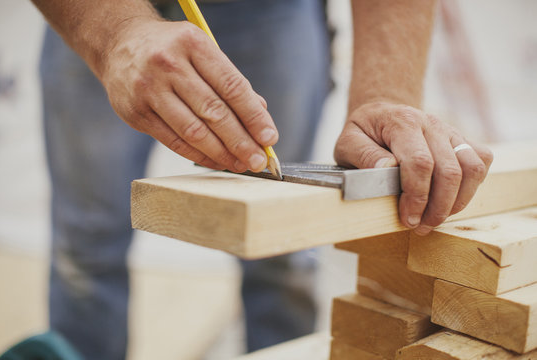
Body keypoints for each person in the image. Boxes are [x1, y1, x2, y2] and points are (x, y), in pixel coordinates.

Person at [32, 0, 492, 359]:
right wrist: (112, 32)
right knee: (84, 252)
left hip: (268, 10)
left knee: (285, 249)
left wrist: (386, 95)